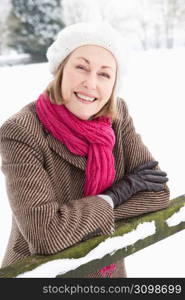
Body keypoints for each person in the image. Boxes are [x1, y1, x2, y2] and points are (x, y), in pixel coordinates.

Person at [0, 21, 170, 278]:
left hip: (106, 273)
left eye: (104, 74)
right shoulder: (22, 131)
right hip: (43, 274)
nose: (91, 84)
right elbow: (46, 234)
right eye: (81, 67)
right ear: (60, 69)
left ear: (114, 83)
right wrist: (115, 196)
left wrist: (69, 218)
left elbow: (157, 193)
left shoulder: (117, 116)